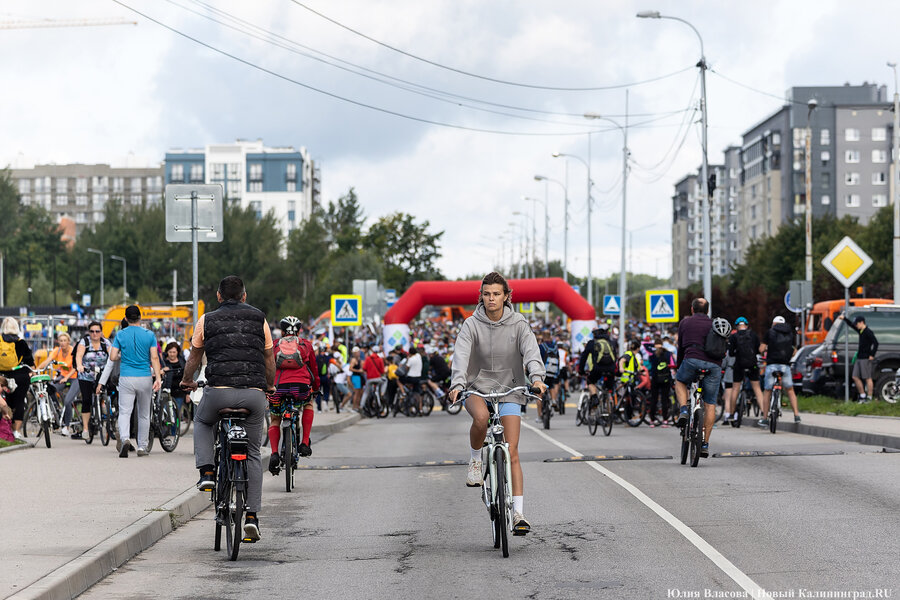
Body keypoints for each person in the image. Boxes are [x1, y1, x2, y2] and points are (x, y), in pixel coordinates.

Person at [449, 272, 547, 535]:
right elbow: (460, 354)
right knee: (480, 419)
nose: (491, 298)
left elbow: (531, 352)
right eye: (486, 294)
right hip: (476, 387)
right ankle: (475, 460)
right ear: (481, 296)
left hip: (510, 389)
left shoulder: (519, 323)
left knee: (512, 450)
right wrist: (457, 383)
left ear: (506, 296)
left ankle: (518, 514)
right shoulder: (471, 324)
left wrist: (537, 378)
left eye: (496, 294)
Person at [181, 275, 275, 543]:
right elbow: (269, 358)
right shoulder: (260, 318)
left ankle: (208, 472)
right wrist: (269, 386)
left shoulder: (206, 320)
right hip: (253, 396)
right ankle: (252, 517)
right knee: (254, 452)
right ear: (244, 296)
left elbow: (195, 357)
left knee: (201, 422)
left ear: (219, 297)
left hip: (218, 393)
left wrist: (187, 380)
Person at [97, 305, 162, 457]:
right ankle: (142, 447)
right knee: (144, 414)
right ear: (140, 317)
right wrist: (158, 378)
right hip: (144, 377)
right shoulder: (149, 335)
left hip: (126, 377)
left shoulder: (120, 334)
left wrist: (123, 356)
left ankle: (125, 439)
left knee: (125, 412)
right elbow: (154, 358)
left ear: (126, 318)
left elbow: (112, 357)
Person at [267, 316, 320, 475]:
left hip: (278, 388)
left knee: (275, 419)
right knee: (309, 403)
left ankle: (275, 453)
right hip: (301, 387)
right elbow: (314, 371)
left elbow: (268, 367)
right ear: (299, 330)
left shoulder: (275, 345)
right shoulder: (306, 345)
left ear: (281, 331)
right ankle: (304, 442)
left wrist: (267, 387)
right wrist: (316, 388)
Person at [674, 297, 723, 458]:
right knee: (710, 404)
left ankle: (683, 410)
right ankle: (704, 444)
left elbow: (681, 347)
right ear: (708, 310)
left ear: (692, 309)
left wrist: (679, 366)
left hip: (691, 360)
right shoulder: (715, 323)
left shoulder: (685, 323)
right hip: (714, 365)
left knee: (680, 382)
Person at [37, 332, 81, 438]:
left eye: (65, 340)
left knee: (67, 400)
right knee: (49, 389)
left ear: (68, 342)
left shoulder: (73, 351)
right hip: (63, 377)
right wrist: (36, 370)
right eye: (60, 341)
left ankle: (66, 426)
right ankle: (57, 409)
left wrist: (66, 378)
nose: (62, 343)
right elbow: (47, 361)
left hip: (75, 377)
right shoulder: (57, 350)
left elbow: (75, 367)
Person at [759, 315, 801, 425]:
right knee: (790, 390)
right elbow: (794, 351)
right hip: (785, 365)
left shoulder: (769, 332)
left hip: (772, 364)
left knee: (767, 391)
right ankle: (796, 415)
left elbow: (762, 349)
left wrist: (763, 354)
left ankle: (764, 418)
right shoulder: (790, 333)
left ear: (773, 323)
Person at [75, 322, 112, 441]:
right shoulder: (84, 342)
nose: (95, 334)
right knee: (86, 400)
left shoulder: (105, 343)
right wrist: (80, 365)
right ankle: (85, 428)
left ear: (101, 332)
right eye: (92, 331)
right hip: (86, 375)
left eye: (97, 331)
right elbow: (78, 355)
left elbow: (112, 356)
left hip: (101, 375)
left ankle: (105, 414)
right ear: (89, 332)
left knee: (106, 395)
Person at [0, 317, 35, 440]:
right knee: (19, 402)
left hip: (2, 376)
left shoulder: (0, 340)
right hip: (20, 376)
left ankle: (5, 429)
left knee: (5, 402)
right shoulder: (21, 342)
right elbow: (30, 361)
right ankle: (16, 431)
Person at [723, 317, 763, 424]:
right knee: (757, 388)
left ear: (737, 326)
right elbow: (758, 350)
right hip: (752, 365)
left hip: (739, 365)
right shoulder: (753, 335)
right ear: (747, 325)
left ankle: (731, 413)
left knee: (735, 388)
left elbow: (730, 353)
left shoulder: (734, 336)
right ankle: (764, 413)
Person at [841, 314, 879, 402]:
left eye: (857, 324)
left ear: (862, 322)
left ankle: (869, 397)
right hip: (859, 357)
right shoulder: (860, 331)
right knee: (855, 376)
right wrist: (844, 319)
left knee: (867, 377)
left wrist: (872, 354)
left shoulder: (868, 332)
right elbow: (852, 325)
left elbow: (876, 343)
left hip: (866, 358)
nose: (856, 326)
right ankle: (862, 395)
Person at [578, 324, 617, 403]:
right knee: (610, 387)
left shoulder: (591, 343)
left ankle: (595, 398)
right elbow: (615, 357)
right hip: (611, 369)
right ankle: (612, 405)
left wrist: (581, 370)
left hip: (598, 369)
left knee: (590, 381)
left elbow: (583, 357)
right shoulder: (611, 343)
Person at [647, 338, 674, 427]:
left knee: (654, 399)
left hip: (655, 379)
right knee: (665, 399)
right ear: (662, 344)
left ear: (654, 345)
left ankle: (652, 420)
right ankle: (665, 420)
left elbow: (649, 366)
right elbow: (673, 364)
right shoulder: (668, 353)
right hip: (666, 379)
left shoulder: (651, 354)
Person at [538, 331, 561, 422]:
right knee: (551, 386)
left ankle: (539, 416)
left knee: (539, 394)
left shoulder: (541, 347)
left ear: (543, 337)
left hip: (543, 372)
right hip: (552, 372)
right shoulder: (555, 347)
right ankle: (554, 400)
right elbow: (558, 359)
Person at [160, 341, 187, 412]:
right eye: (170, 352)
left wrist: (188, 393)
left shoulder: (182, 361)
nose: (172, 354)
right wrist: (162, 370)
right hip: (166, 392)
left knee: (176, 413)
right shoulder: (163, 362)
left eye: (174, 352)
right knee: (167, 413)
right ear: (167, 352)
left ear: (177, 352)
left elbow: (186, 376)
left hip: (179, 392)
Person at [360, 345, 386, 414]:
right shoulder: (380, 359)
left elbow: (364, 368)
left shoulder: (368, 359)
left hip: (369, 379)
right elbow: (382, 371)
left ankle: (361, 406)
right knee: (385, 381)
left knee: (366, 393)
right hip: (378, 378)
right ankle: (382, 393)